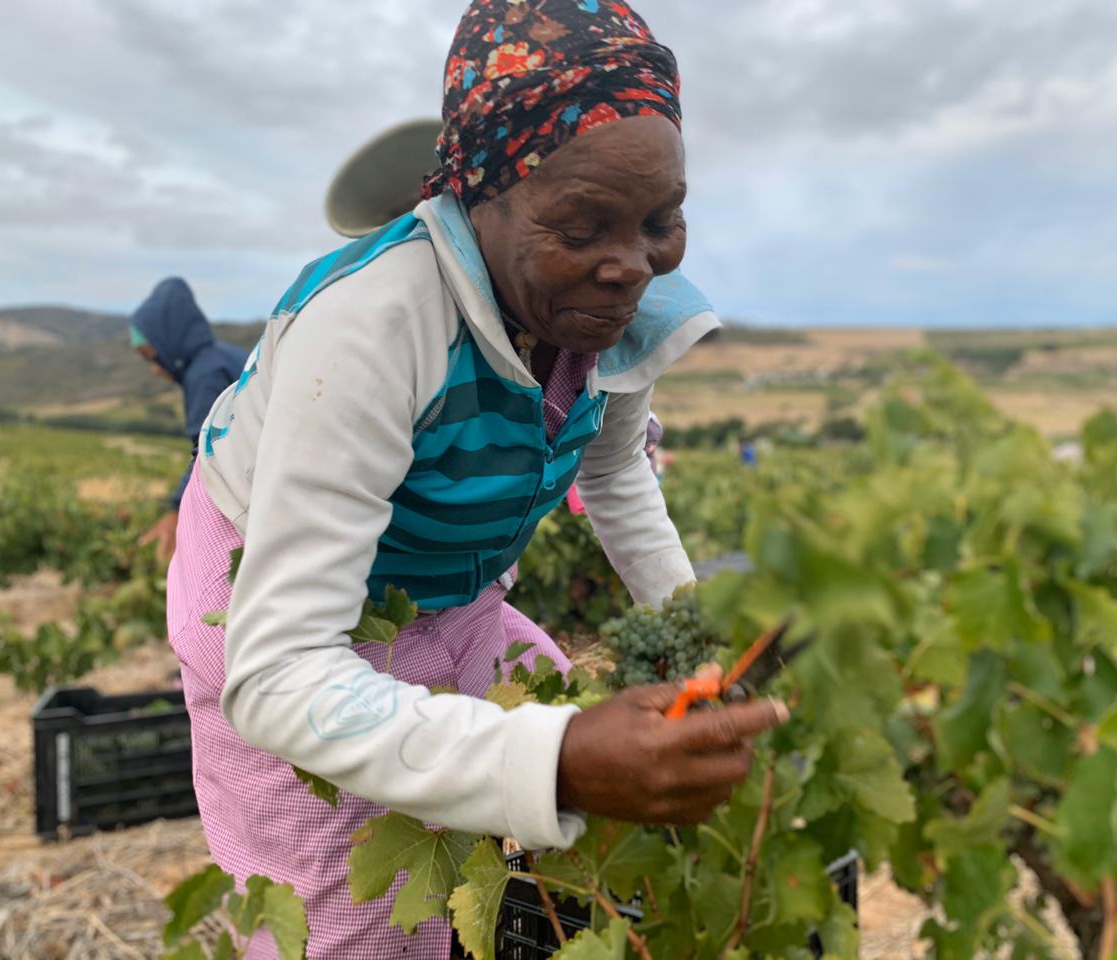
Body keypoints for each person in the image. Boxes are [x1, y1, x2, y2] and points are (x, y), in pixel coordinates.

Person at [167, 2, 788, 957]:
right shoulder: (375, 328)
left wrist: (697, 632)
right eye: (583, 225)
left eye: (663, 220)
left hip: (453, 596)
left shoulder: (608, 309)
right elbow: (281, 673)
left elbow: (615, 468)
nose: (631, 267)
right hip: (278, 616)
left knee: (522, 792)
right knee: (355, 919)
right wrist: (560, 765)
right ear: (473, 196)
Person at [129, 277, 248, 564]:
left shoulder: (204, 374)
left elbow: (208, 455)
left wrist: (176, 510)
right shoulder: (219, 357)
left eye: (152, 356)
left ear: (170, 340)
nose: (155, 369)